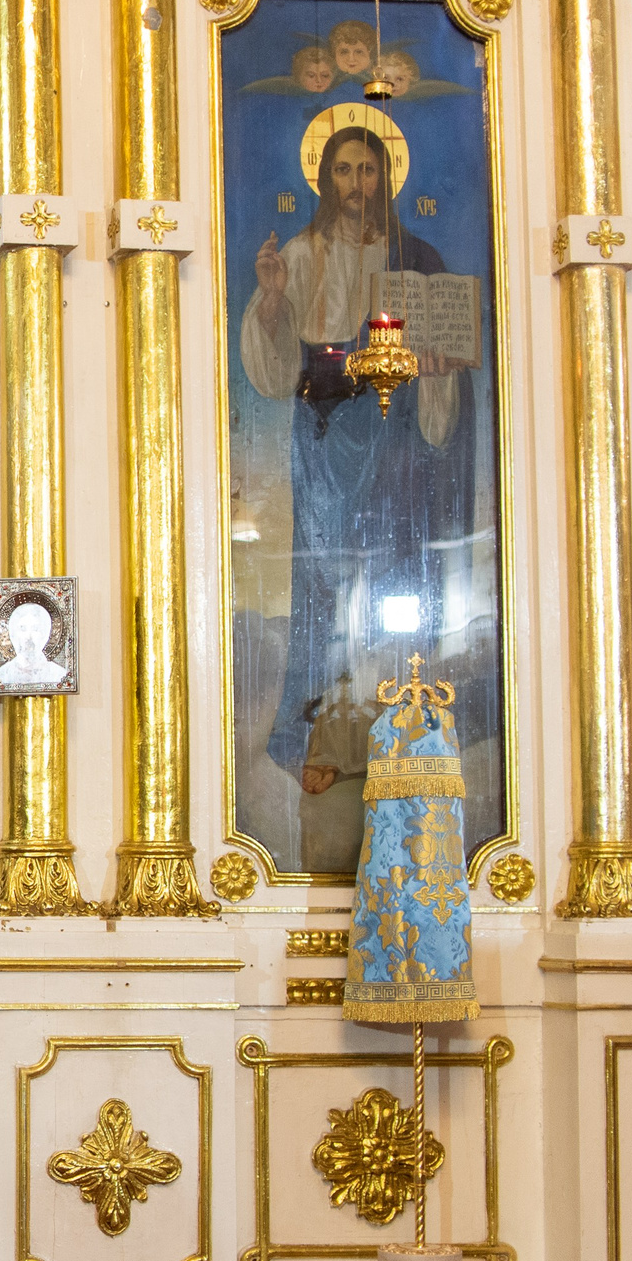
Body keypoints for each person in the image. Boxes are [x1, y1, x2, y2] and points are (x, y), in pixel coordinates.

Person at [239, 121, 479, 860]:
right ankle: (319, 736)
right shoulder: (301, 255)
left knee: (399, 572)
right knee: (323, 583)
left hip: (396, 438)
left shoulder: (418, 258)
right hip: (323, 437)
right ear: (325, 179)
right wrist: (272, 303)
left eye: (368, 171)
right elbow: (276, 372)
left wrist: (439, 374)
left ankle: (403, 733)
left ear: (386, 179)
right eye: (343, 171)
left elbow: (447, 360)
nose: (356, 185)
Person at [0, 599, 69, 690]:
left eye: (35, 629)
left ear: (44, 634)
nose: (28, 637)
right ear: (14, 634)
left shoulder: (59, 675)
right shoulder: (1, 676)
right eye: (22, 629)